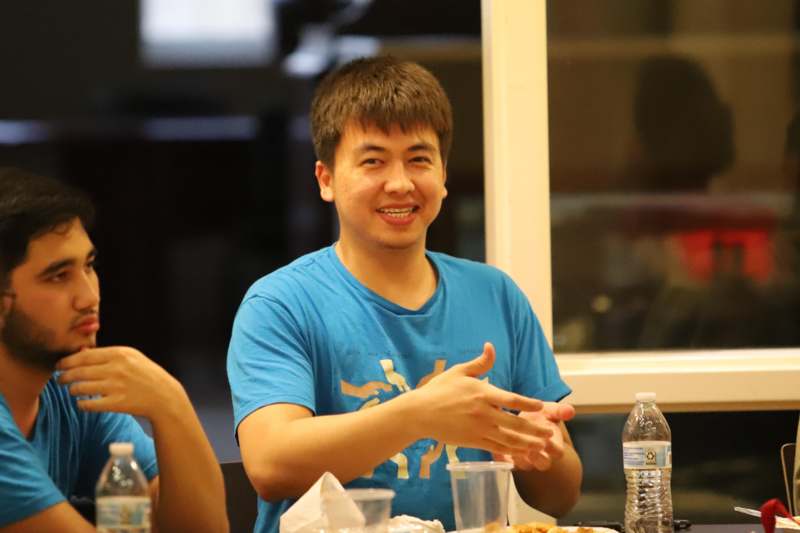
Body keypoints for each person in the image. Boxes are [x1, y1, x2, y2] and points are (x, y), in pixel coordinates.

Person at [227, 56, 582, 533]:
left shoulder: (495, 294)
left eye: (419, 159)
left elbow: (562, 497)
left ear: (442, 174)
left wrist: (539, 451)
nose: (400, 183)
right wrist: (422, 414)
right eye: (373, 160)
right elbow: (271, 464)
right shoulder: (280, 303)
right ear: (326, 179)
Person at [0, 168, 229, 533]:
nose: (89, 298)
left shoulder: (73, 391)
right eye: (58, 276)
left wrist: (171, 404)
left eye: (88, 267)